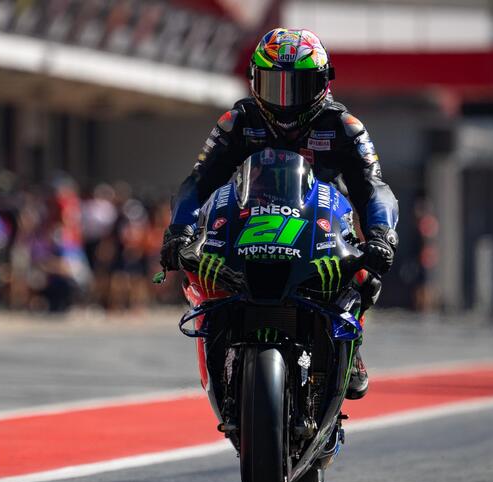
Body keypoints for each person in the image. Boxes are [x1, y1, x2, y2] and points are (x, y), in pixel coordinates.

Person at [160, 28, 399, 400]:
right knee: (198, 265)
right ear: (255, 80)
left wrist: (382, 234)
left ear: (322, 82)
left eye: (298, 86)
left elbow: (373, 187)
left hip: (321, 228)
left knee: (365, 277)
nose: (286, 100)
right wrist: (179, 230)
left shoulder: (345, 127)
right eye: (275, 85)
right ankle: (221, 340)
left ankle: (351, 346)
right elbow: (199, 180)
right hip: (248, 222)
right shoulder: (237, 120)